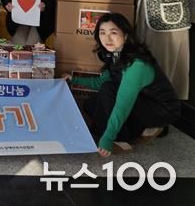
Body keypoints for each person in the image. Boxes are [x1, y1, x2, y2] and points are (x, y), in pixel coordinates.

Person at [63, 13, 180, 157]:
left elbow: (122, 105)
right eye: (102, 33)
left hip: (162, 109)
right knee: (90, 104)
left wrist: (108, 138)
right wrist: (74, 79)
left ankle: (123, 138)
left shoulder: (137, 65)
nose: (107, 38)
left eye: (113, 33)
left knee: (107, 91)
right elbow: (100, 82)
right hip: (141, 100)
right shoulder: (114, 55)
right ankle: (138, 127)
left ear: (125, 36)